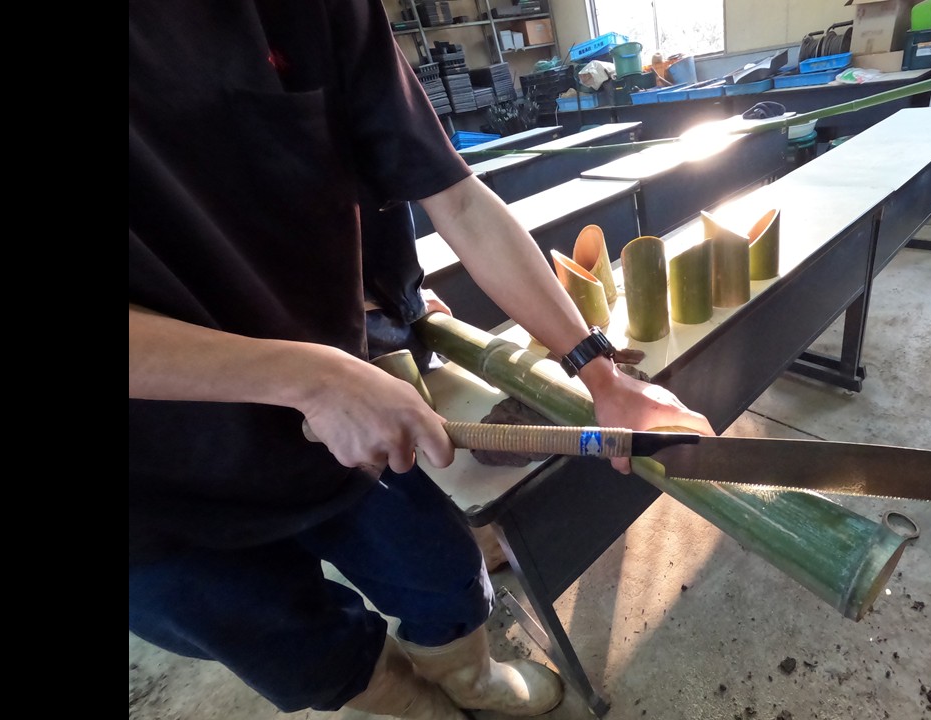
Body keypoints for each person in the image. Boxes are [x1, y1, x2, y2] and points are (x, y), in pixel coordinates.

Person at [128, 2, 715, 719]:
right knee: (292, 645)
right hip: (153, 489)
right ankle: (418, 708)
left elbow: (459, 200)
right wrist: (307, 378)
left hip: (348, 416)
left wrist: (601, 372)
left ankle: (473, 681)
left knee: (441, 570)